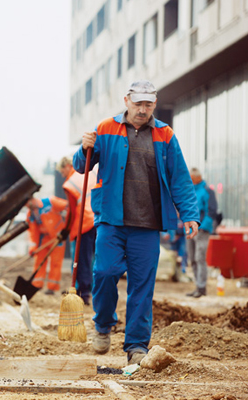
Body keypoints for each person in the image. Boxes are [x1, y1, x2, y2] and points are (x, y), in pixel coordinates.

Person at [74, 80, 199, 365]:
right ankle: (103, 324)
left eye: (148, 104)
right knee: (105, 273)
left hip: (147, 224)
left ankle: (136, 347)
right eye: (138, 103)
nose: (143, 110)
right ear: (127, 101)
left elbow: (179, 176)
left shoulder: (165, 134)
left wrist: (190, 214)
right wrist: (84, 149)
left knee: (142, 286)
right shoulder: (106, 128)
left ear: (154, 104)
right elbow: (82, 166)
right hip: (111, 221)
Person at [57, 156, 97, 305]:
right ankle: (89, 290)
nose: (62, 175)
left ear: (67, 165)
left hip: (85, 223)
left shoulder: (70, 184)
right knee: (94, 259)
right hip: (98, 219)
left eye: (62, 171)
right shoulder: (89, 173)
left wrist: (66, 230)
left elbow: (72, 212)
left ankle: (83, 293)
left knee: (81, 260)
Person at [25, 197, 68, 294]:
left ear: (32, 198)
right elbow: (32, 232)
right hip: (43, 239)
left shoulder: (50, 202)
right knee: (39, 261)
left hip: (58, 237)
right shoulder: (30, 214)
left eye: (27, 203)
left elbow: (68, 206)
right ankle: (37, 285)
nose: (26, 206)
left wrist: (65, 226)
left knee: (56, 262)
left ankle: (52, 288)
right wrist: (33, 247)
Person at [186, 168, 215, 298]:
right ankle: (198, 286)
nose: (190, 180)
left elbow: (212, 211)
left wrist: (203, 227)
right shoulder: (190, 191)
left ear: (198, 178)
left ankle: (202, 287)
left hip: (201, 230)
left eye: (191, 177)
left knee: (199, 258)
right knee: (192, 259)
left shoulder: (207, 191)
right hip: (190, 230)